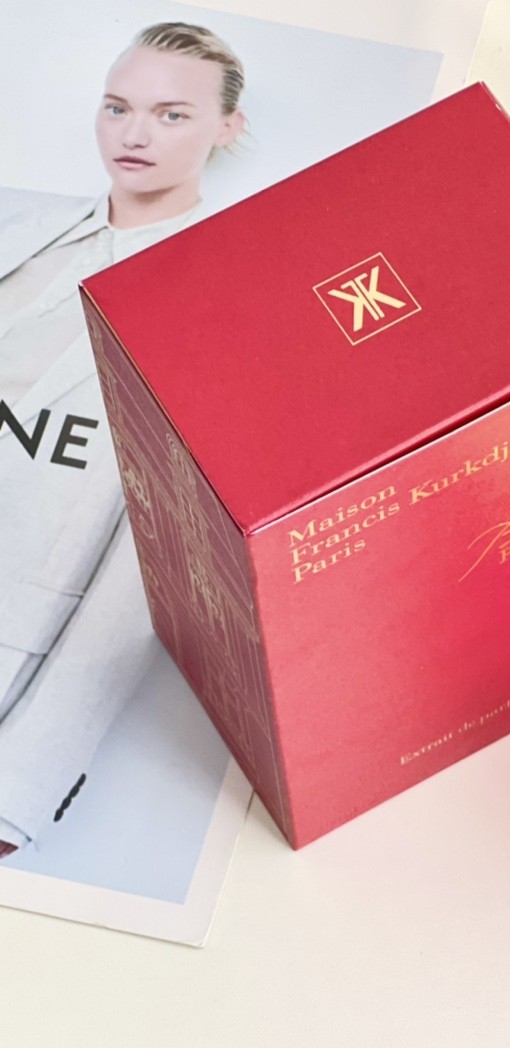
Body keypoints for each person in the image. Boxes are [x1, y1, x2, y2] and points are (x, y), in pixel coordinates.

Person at [0, 23, 246, 858]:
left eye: (172, 115)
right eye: (117, 108)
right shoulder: (21, 228)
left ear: (228, 127)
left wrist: (19, 786)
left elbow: (156, 553)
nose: (134, 134)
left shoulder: (223, 305)